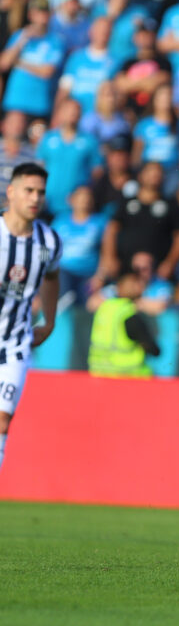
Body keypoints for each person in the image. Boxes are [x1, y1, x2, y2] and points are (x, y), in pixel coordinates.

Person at [0, 163, 62, 471]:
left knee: (2, 420)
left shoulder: (49, 242)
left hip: (13, 344)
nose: (35, 198)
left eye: (40, 192)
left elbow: (52, 278)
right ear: (11, 192)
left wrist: (49, 321)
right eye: (29, 190)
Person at [88, 269, 160, 378]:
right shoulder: (129, 314)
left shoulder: (104, 308)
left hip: (98, 372)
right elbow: (153, 349)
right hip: (127, 375)